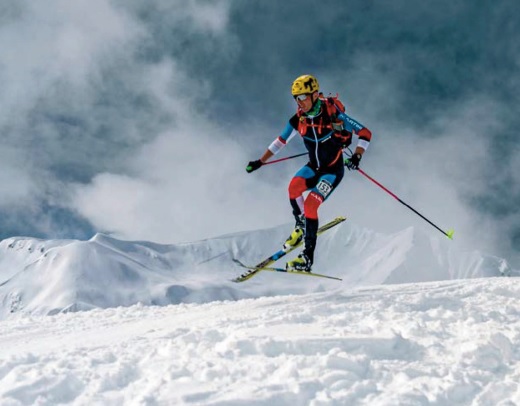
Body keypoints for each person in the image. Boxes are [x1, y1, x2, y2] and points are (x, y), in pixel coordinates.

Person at [246, 74, 372, 272]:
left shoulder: (333, 115)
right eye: (296, 98)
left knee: (312, 204)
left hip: (332, 171)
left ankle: (307, 259)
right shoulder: (299, 119)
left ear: (314, 95)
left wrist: (357, 156)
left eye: (303, 97)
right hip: (313, 167)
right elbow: (280, 141)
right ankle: (300, 225)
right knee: (293, 188)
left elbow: (365, 133)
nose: (299, 102)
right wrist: (261, 161)